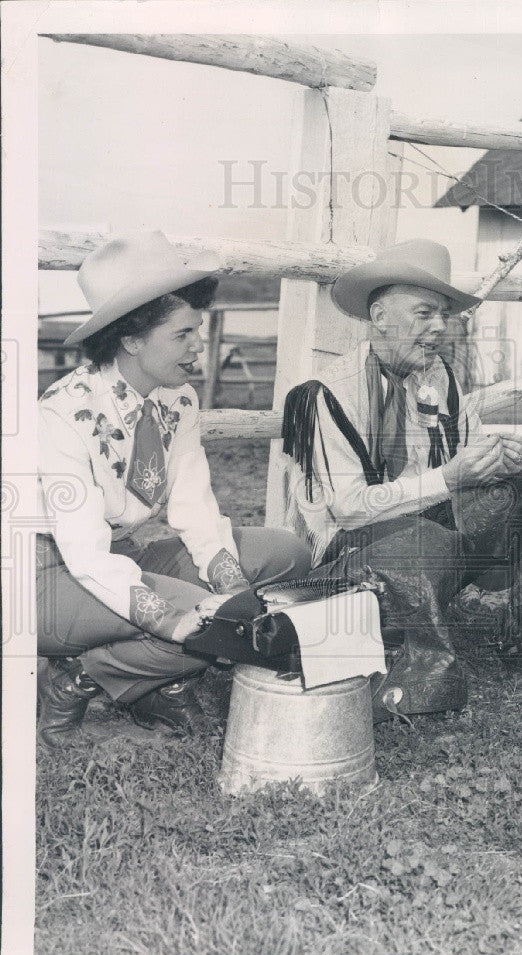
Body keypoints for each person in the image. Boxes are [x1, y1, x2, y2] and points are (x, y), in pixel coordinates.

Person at [280, 240, 522, 718]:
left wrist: (502, 458)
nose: (439, 327)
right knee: (427, 536)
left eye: (443, 315)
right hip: (353, 558)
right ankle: (404, 660)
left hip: (437, 531)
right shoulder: (326, 396)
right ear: (380, 316)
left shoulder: (439, 378)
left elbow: (464, 455)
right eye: (423, 313)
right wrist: (450, 480)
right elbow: (349, 509)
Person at [37, 231, 312, 747]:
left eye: (199, 329)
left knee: (284, 554)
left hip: (120, 555)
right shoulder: (62, 413)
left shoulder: (176, 400)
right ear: (132, 339)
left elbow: (195, 509)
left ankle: (151, 680)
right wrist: (174, 619)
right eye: (183, 334)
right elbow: (87, 556)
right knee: (199, 623)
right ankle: (75, 683)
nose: (199, 345)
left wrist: (236, 591)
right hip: (43, 572)